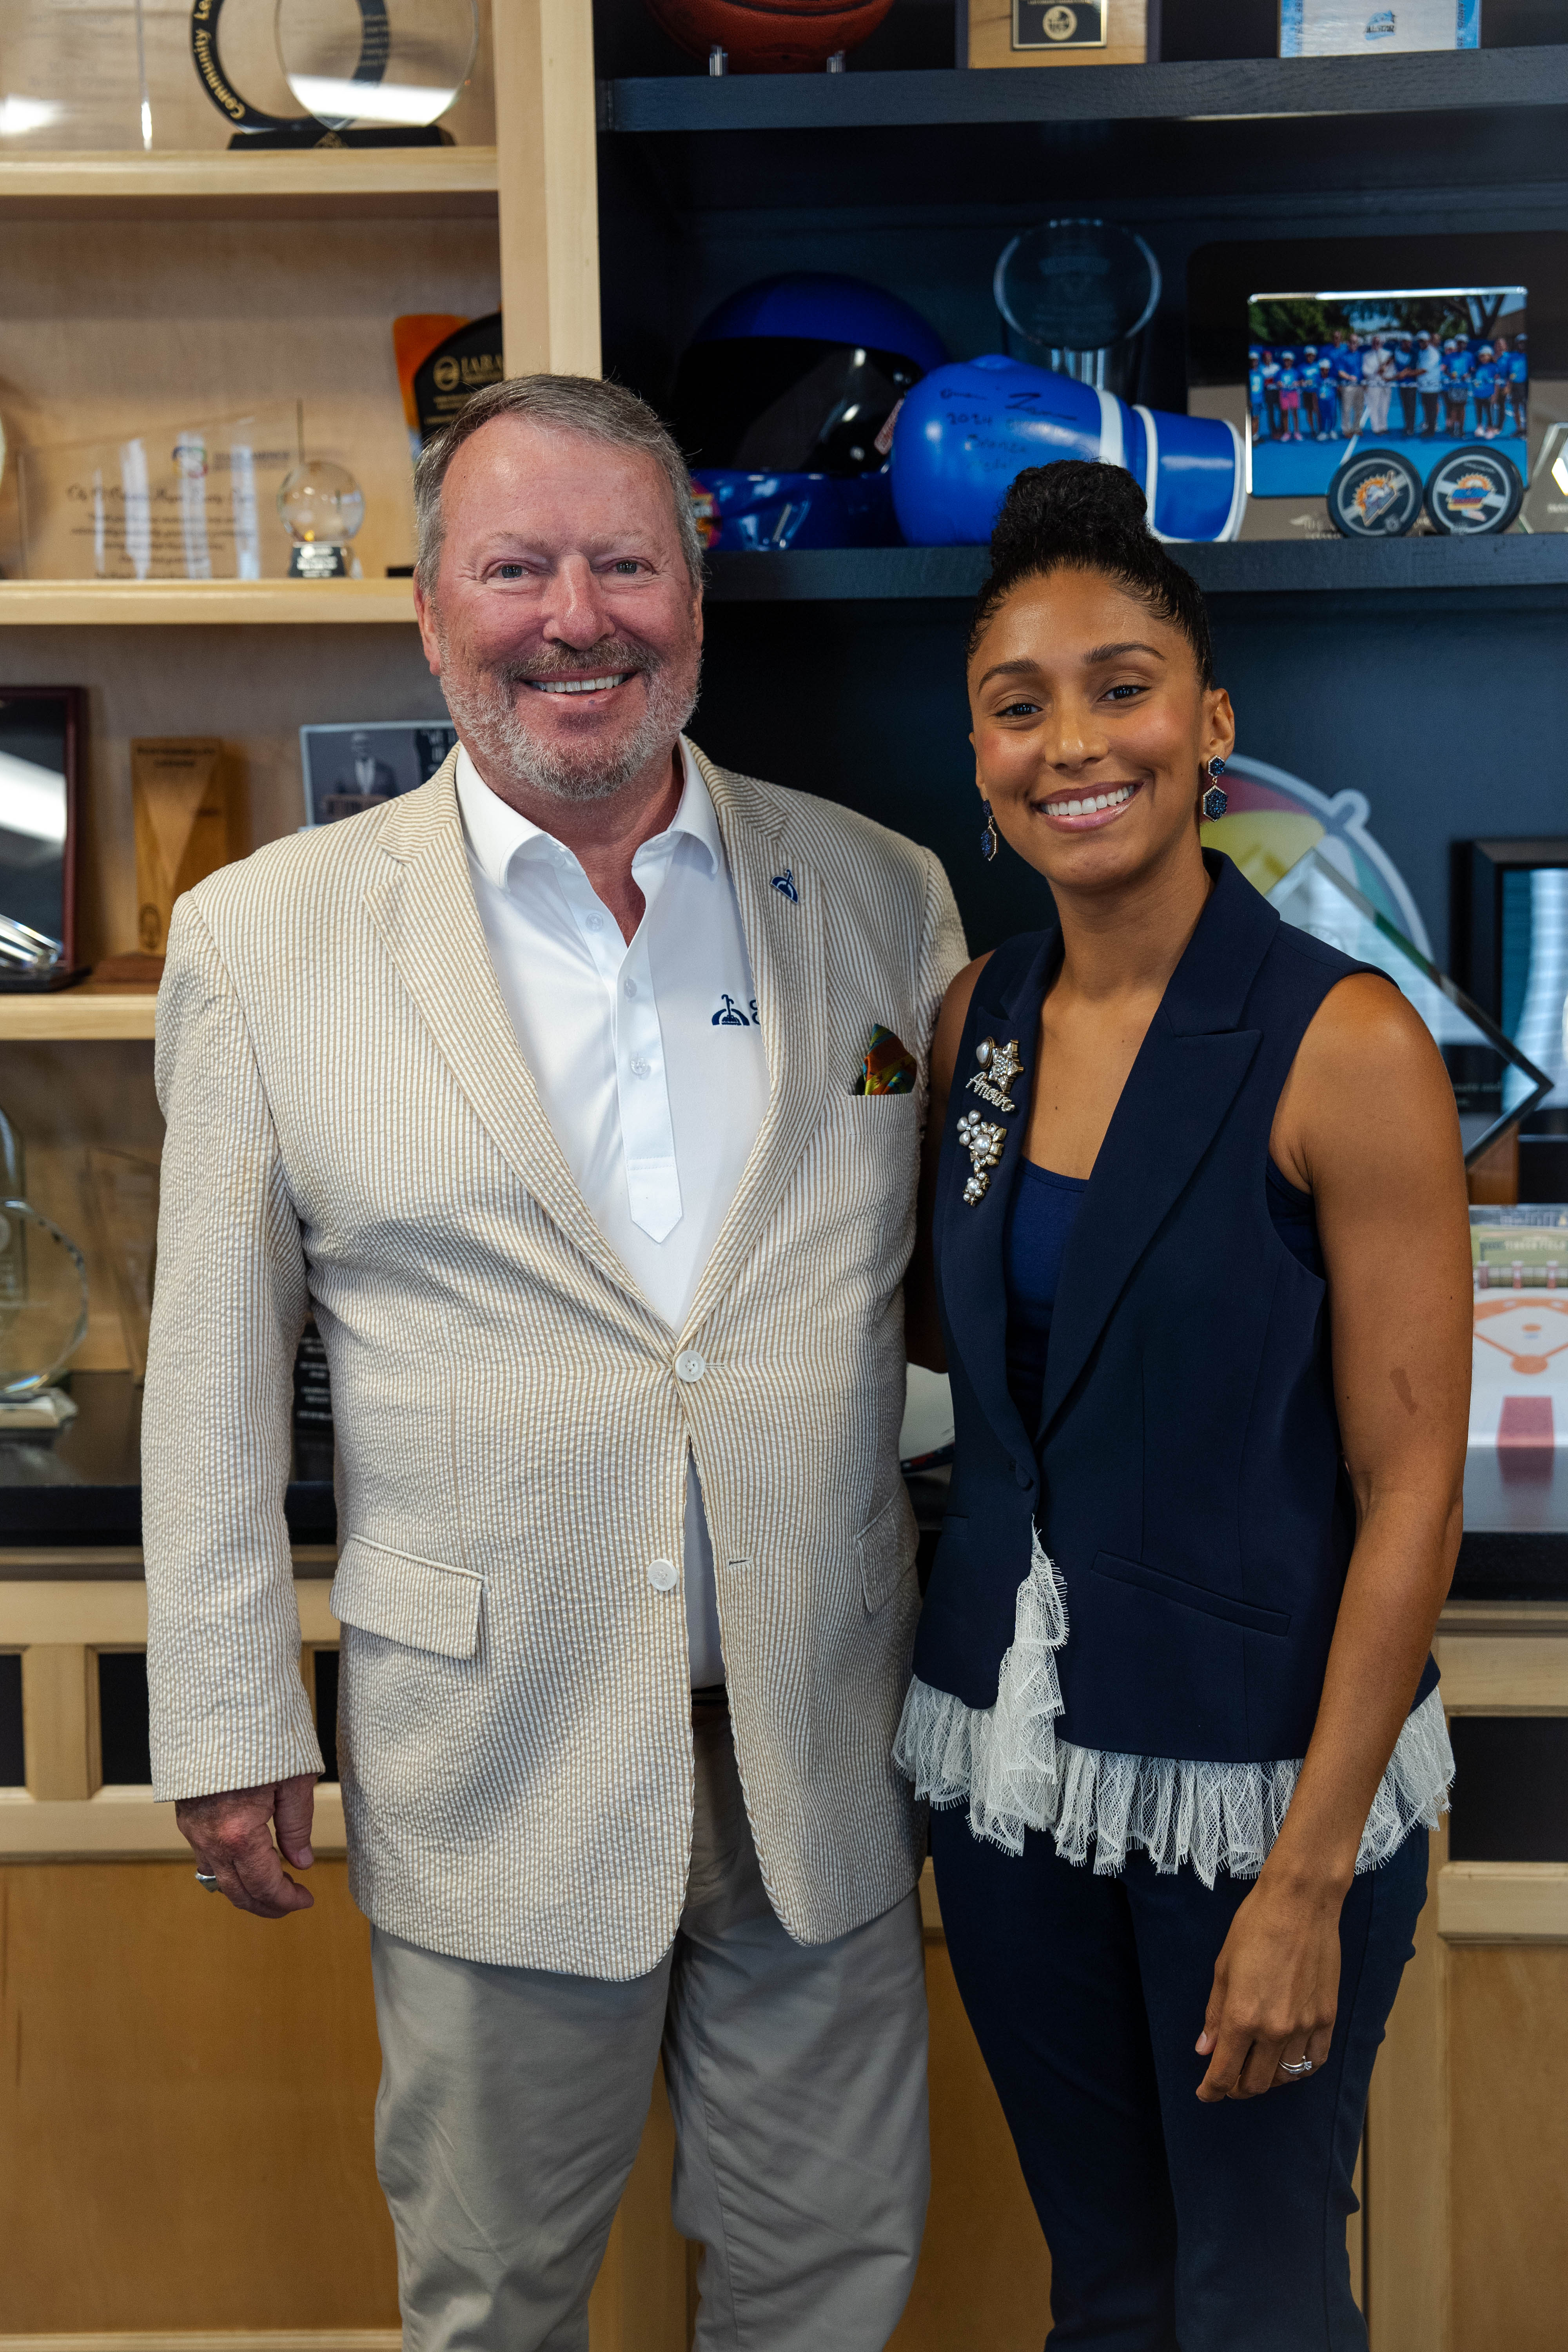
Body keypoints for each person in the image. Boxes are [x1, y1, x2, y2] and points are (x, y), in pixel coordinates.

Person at [142, 372, 966, 2352]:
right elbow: (212, 1371)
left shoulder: (881, 898)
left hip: (817, 1743)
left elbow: (941, 1286)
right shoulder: (265, 942)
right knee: (498, 2295)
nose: (573, 618)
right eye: (516, 567)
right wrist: (227, 1709)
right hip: (495, 1752)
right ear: (432, 607)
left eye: (624, 563)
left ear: (699, 593)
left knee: (825, 2277)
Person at [896, 461, 1468, 2350]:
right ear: (975, 747)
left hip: (1253, 1799)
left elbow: (1404, 1495)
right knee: (1107, 2284)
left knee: (1251, 2298)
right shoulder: (972, 1017)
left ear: (1208, 726)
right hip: (1009, 1784)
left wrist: (1306, 1877)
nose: (1072, 740)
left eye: (1120, 685)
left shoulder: (1341, 1039)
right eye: (1017, 701)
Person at [1334, 332, 1364, 438]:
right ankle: (1346, 430)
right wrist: (1350, 377)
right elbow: (1340, 372)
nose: (1353, 344)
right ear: (1348, 343)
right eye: (1352, 342)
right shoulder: (1343, 356)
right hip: (1348, 387)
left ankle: (1357, 428)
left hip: (1359, 386)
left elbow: (1364, 371)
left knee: (1359, 408)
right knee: (1346, 409)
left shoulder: (1361, 356)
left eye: (1355, 343)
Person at [1414, 332, 1444, 436]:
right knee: (1427, 408)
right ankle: (1429, 425)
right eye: (1420, 341)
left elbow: (1424, 370)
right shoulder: (1422, 352)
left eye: (1424, 341)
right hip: (1423, 387)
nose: (1422, 343)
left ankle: (1432, 429)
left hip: (1432, 387)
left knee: (1432, 408)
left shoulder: (1433, 353)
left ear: (1428, 341)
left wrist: (1406, 373)